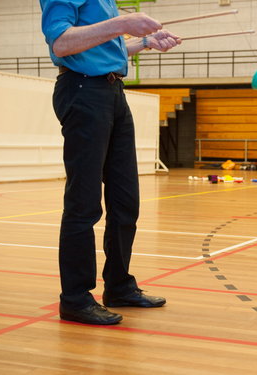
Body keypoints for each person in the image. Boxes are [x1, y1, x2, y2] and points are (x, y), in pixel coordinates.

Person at [40, 0, 181, 325]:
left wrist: (143, 42)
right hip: (83, 90)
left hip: (111, 92)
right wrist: (121, 24)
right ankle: (75, 299)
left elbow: (99, 48)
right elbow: (61, 42)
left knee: (125, 201)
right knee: (84, 203)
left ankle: (118, 286)